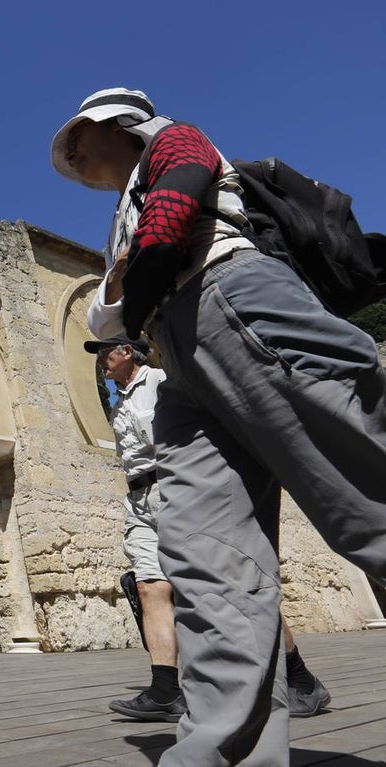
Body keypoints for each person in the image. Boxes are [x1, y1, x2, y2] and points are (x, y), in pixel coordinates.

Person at [52, 88, 386, 765]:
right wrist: (128, 283)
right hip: (181, 359)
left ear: (120, 126)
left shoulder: (172, 140)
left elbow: (163, 232)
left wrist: (132, 278)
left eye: (79, 137)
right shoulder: (123, 212)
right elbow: (104, 315)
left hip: (234, 301)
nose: (72, 154)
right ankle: (223, 752)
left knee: (367, 495)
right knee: (209, 562)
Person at [87, 335, 329, 723]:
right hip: (140, 501)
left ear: (126, 351)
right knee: (150, 587)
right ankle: (165, 691)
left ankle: (301, 680)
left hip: (179, 490)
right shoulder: (120, 401)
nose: (100, 361)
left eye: (104, 353)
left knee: (237, 583)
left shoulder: (162, 383)